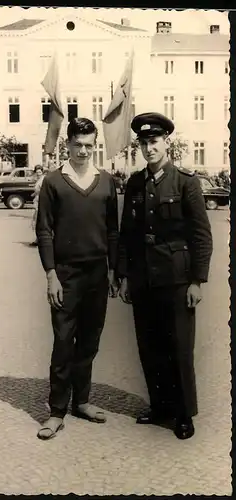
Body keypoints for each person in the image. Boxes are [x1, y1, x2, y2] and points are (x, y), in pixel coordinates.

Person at [117, 112, 213, 440]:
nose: (149, 148)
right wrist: (124, 275)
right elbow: (127, 233)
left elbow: (201, 235)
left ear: (166, 143)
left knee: (179, 347)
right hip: (144, 278)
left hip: (176, 279)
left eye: (154, 141)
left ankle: (184, 413)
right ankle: (160, 406)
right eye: (144, 143)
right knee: (150, 345)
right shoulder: (134, 184)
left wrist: (197, 281)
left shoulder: (186, 182)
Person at [36, 117, 119, 440]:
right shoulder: (54, 182)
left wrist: (113, 270)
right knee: (62, 341)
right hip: (66, 275)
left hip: (98, 273)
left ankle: (81, 401)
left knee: (89, 341)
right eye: (78, 145)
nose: (84, 151)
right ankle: (56, 411)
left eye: (89, 145)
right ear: (67, 145)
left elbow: (113, 230)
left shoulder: (106, 181)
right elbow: (44, 230)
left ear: (94, 145)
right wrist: (51, 275)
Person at [30, 165, 46, 247]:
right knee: (36, 220)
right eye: (37, 172)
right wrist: (33, 194)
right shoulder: (39, 179)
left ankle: (39, 240)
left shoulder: (43, 179)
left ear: (42, 172)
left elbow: (42, 190)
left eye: (40, 172)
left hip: (41, 201)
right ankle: (38, 239)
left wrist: (36, 193)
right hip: (37, 200)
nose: (38, 173)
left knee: (39, 220)